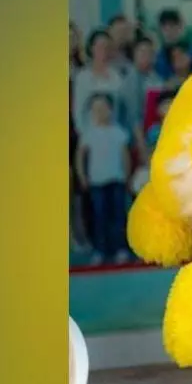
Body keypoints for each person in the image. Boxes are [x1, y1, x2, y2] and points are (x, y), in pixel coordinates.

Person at [75, 93, 132, 266]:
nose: (100, 112)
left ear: (111, 110)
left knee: (118, 216)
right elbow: (80, 156)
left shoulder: (118, 132)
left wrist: (127, 176)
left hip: (117, 180)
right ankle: (100, 250)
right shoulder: (89, 133)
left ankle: (120, 249)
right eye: (96, 109)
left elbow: (125, 156)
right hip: (97, 182)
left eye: (104, 108)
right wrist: (82, 176)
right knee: (99, 217)